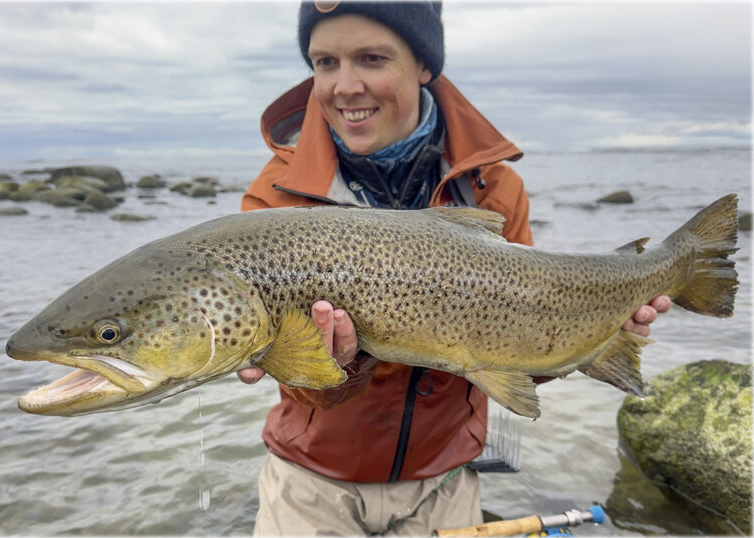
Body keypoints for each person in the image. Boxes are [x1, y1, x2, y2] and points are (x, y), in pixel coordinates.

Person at [237, 2, 671, 535]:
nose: (344, 85)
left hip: (444, 481)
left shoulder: (494, 187)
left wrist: (597, 335)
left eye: (371, 58)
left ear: (424, 64)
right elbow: (296, 382)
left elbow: (518, 354)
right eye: (324, 62)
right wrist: (335, 368)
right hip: (310, 483)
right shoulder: (274, 198)